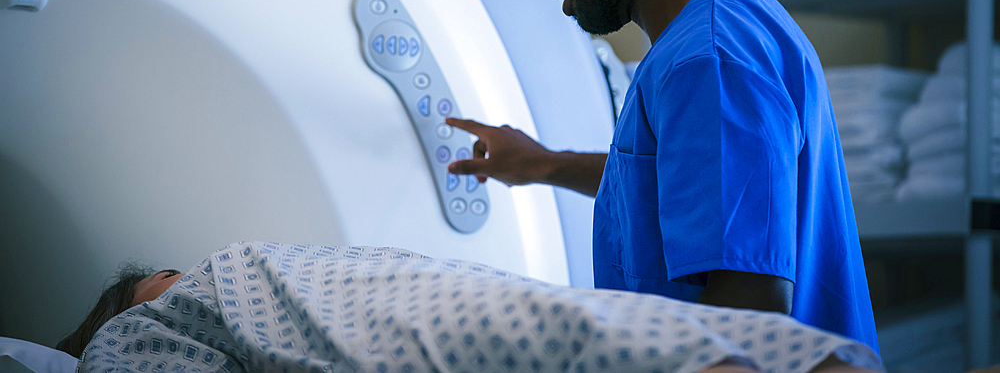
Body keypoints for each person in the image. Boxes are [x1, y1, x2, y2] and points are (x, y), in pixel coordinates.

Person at [445, 0, 880, 354]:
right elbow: (686, 182)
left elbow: (748, 311)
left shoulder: (711, 58)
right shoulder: (727, 29)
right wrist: (541, 164)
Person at [64, 241, 884, 373]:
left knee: (565, 324)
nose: (184, 269)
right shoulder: (133, 334)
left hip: (414, 299)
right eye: (158, 278)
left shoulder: (253, 266)